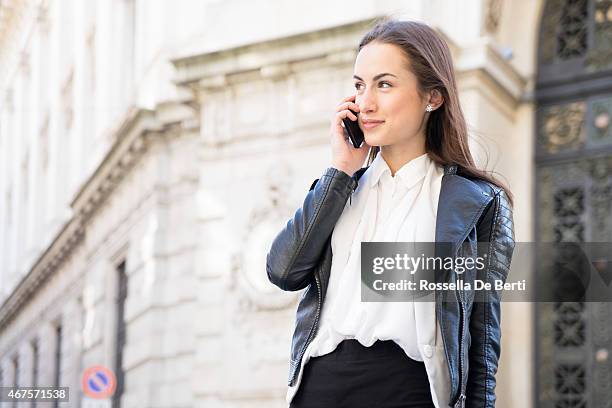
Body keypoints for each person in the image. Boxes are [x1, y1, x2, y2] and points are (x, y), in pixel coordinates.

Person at [266, 17, 515, 408]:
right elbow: (283, 270)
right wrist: (341, 170)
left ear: (432, 97)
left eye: (384, 84)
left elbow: (482, 341)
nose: (365, 103)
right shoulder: (343, 187)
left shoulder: (476, 203)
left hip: (409, 389)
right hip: (320, 387)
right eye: (359, 86)